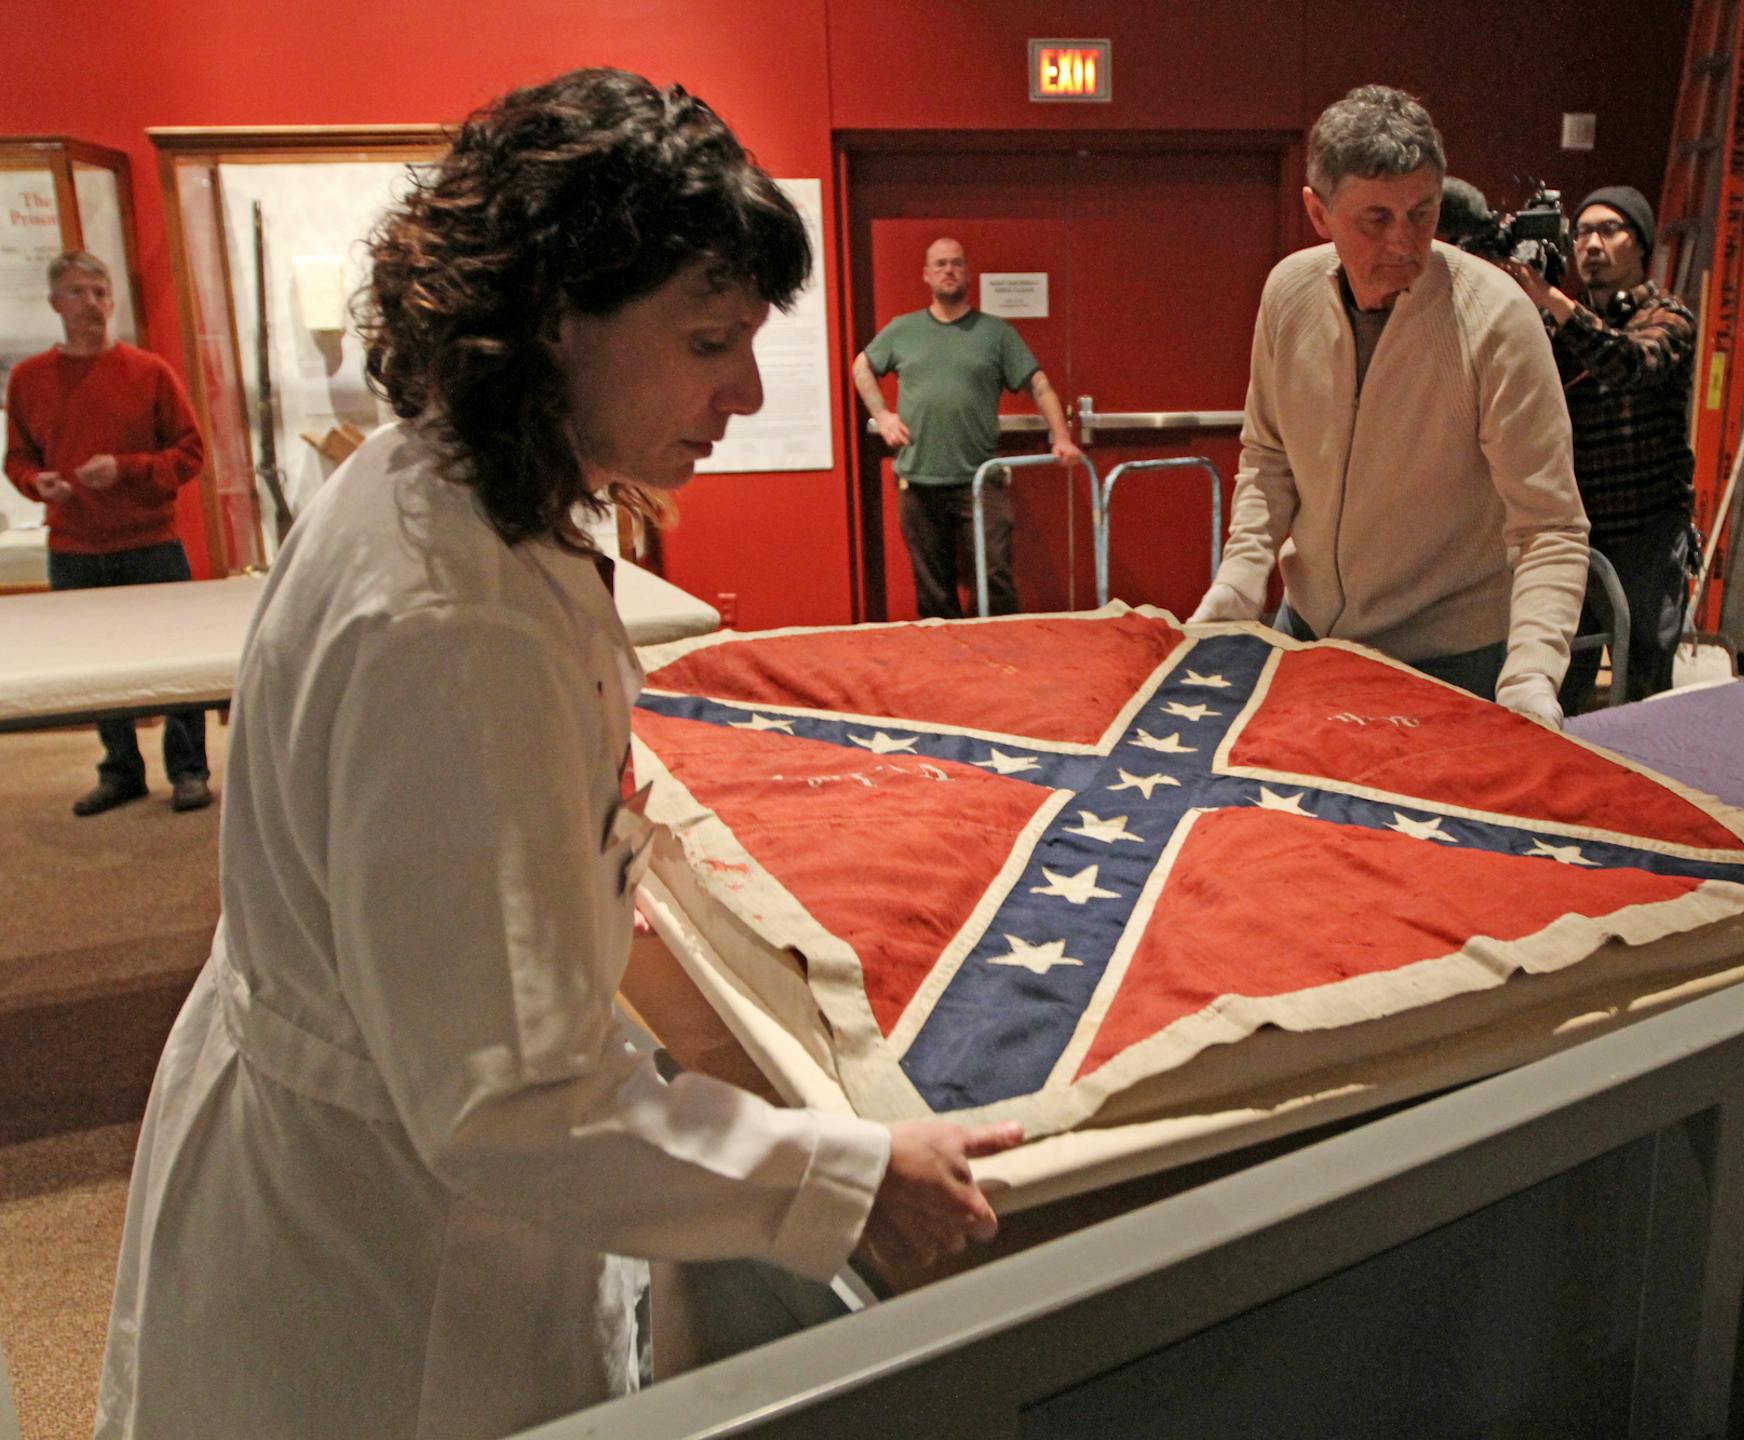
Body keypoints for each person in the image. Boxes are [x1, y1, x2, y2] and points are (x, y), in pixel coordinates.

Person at [95, 70, 1021, 1440]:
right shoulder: (457, 621)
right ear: (552, 322)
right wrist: (848, 1184)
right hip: (383, 1279)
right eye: (709, 340)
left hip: (353, 1147)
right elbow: (514, 1106)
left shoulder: (429, 484)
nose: (746, 386)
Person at [1189, 86, 1588, 727]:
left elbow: (1551, 528)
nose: (1404, 242)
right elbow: (1269, 456)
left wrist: (1532, 673)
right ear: (1318, 213)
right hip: (1307, 635)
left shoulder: (1498, 320)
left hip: (1453, 660)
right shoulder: (1287, 294)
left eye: (1422, 213)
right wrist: (1240, 578)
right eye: (1376, 219)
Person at [4, 252, 211, 815]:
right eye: (78, 293)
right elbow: (17, 458)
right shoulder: (28, 380)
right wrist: (36, 483)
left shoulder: (150, 372)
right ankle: (120, 770)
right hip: (74, 546)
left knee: (178, 657)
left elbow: (190, 453)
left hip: (150, 541)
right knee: (95, 667)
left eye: (100, 291)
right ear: (55, 303)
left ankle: (189, 769)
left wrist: (127, 468)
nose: (92, 303)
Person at [1508, 184, 1697, 711]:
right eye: (1584, 231)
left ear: (1639, 245)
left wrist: (1551, 299)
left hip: (1648, 530)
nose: (1592, 243)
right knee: (1562, 675)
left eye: (1609, 230)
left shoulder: (1669, 317)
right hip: (1575, 528)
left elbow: (1629, 366)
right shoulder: (1557, 325)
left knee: (1642, 679)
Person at [851, 238, 1082, 617]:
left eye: (956, 263)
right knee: (934, 590)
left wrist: (1060, 436)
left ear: (968, 273)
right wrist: (883, 414)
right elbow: (862, 366)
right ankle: (946, 669)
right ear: (926, 274)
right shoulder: (902, 329)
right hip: (918, 479)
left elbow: (1039, 384)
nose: (948, 270)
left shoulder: (995, 333)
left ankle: (1005, 659)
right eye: (940, 264)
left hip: (979, 479)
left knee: (994, 576)